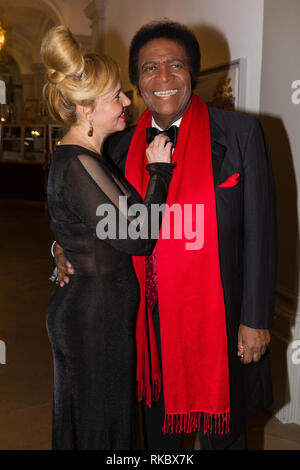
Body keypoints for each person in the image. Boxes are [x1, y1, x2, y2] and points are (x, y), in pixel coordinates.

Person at [53, 20, 277, 450]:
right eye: (149, 67)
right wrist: (60, 247)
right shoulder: (117, 146)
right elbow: (95, 218)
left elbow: (261, 235)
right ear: (137, 81)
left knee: (223, 438)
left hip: (220, 318)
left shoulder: (240, 133)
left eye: (175, 65)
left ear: (191, 72)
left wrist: (255, 320)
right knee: (156, 441)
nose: (162, 77)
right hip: (144, 326)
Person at [41, 25, 176, 450]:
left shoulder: (87, 158)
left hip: (101, 314)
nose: (125, 101)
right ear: (85, 108)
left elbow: (80, 228)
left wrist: (61, 248)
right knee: (99, 428)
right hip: (91, 320)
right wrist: (159, 171)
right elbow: (137, 236)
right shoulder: (77, 164)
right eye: (116, 95)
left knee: (102, 423)